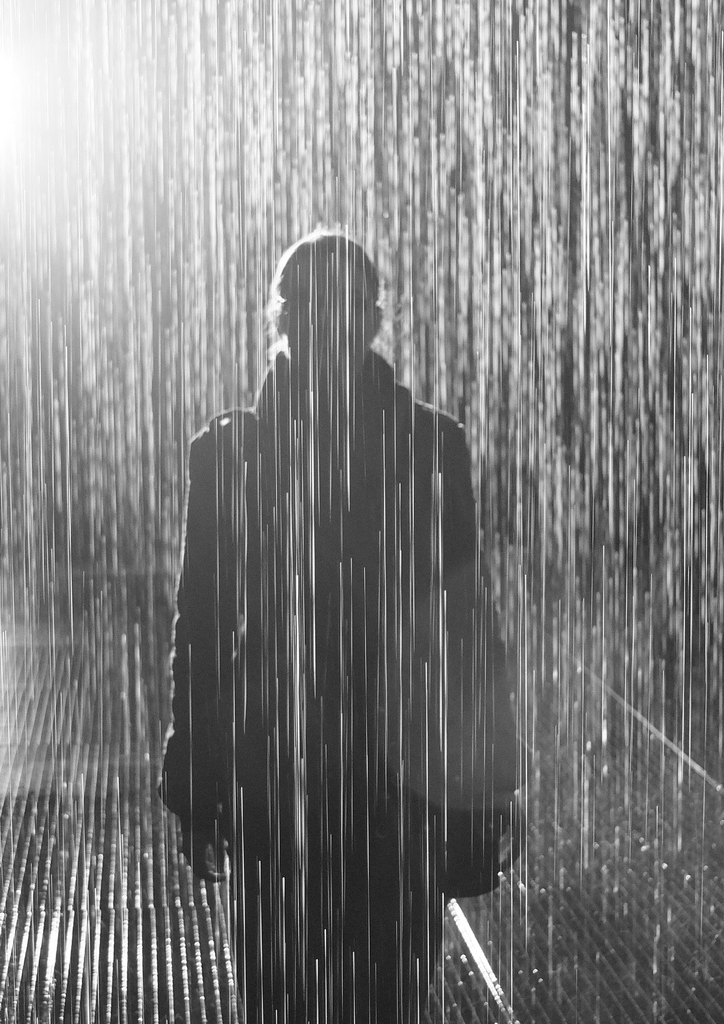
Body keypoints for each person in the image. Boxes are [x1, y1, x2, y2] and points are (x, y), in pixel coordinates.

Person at [160, 228, 520, 1024]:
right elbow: (204, 629)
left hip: (363, 791)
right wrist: (196, 786)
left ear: (370, 322)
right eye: (317, 312)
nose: (330, 331)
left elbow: (465, 624)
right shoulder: (237, 456)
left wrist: (489, 778)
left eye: (343, 312)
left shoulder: (422, 447)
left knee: (357, 999)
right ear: (287, 321)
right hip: (310, 792)